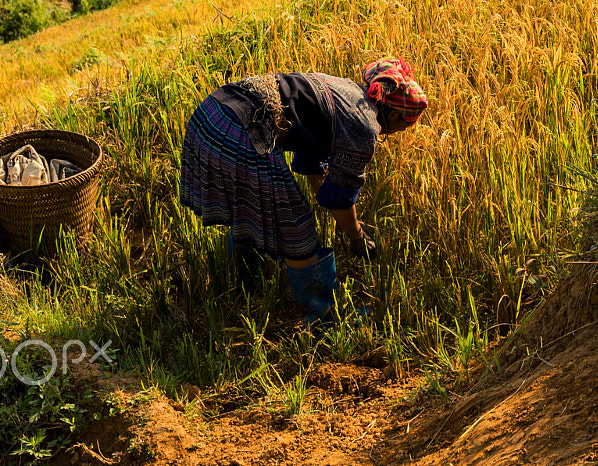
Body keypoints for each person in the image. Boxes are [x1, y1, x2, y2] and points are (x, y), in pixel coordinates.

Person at [178, 57, 427, 326]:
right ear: (393, 115)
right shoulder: (364, 125)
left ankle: (242, 282)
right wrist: (357, 237)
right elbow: (341, 198)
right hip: (241, 132)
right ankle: (326, 318)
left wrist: (324, 195)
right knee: (296, 227)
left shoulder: (343, 88)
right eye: (405, 125)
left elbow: (311, 147)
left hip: (211, 115)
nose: (402, 131)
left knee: (251, 208)